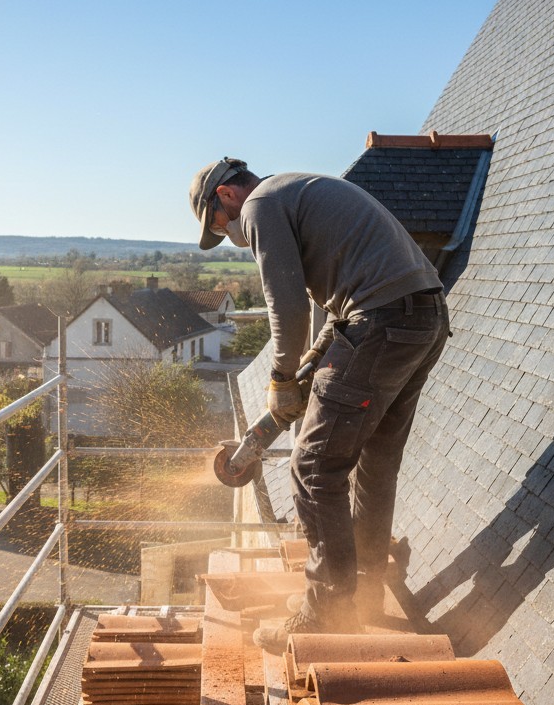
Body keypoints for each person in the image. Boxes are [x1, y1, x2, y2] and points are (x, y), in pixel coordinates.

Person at [189, 157, 450, 649]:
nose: (230, 236)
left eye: (220, 228)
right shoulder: (296, 190)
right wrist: (312, 359)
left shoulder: (261, 207)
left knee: (312, 467)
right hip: (422, 320)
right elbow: (343, 304)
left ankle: (328, 609)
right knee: (374, 464)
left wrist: (282, 376)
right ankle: (365, 590)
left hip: (383, 323)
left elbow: (285, 306)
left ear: (225, 196)